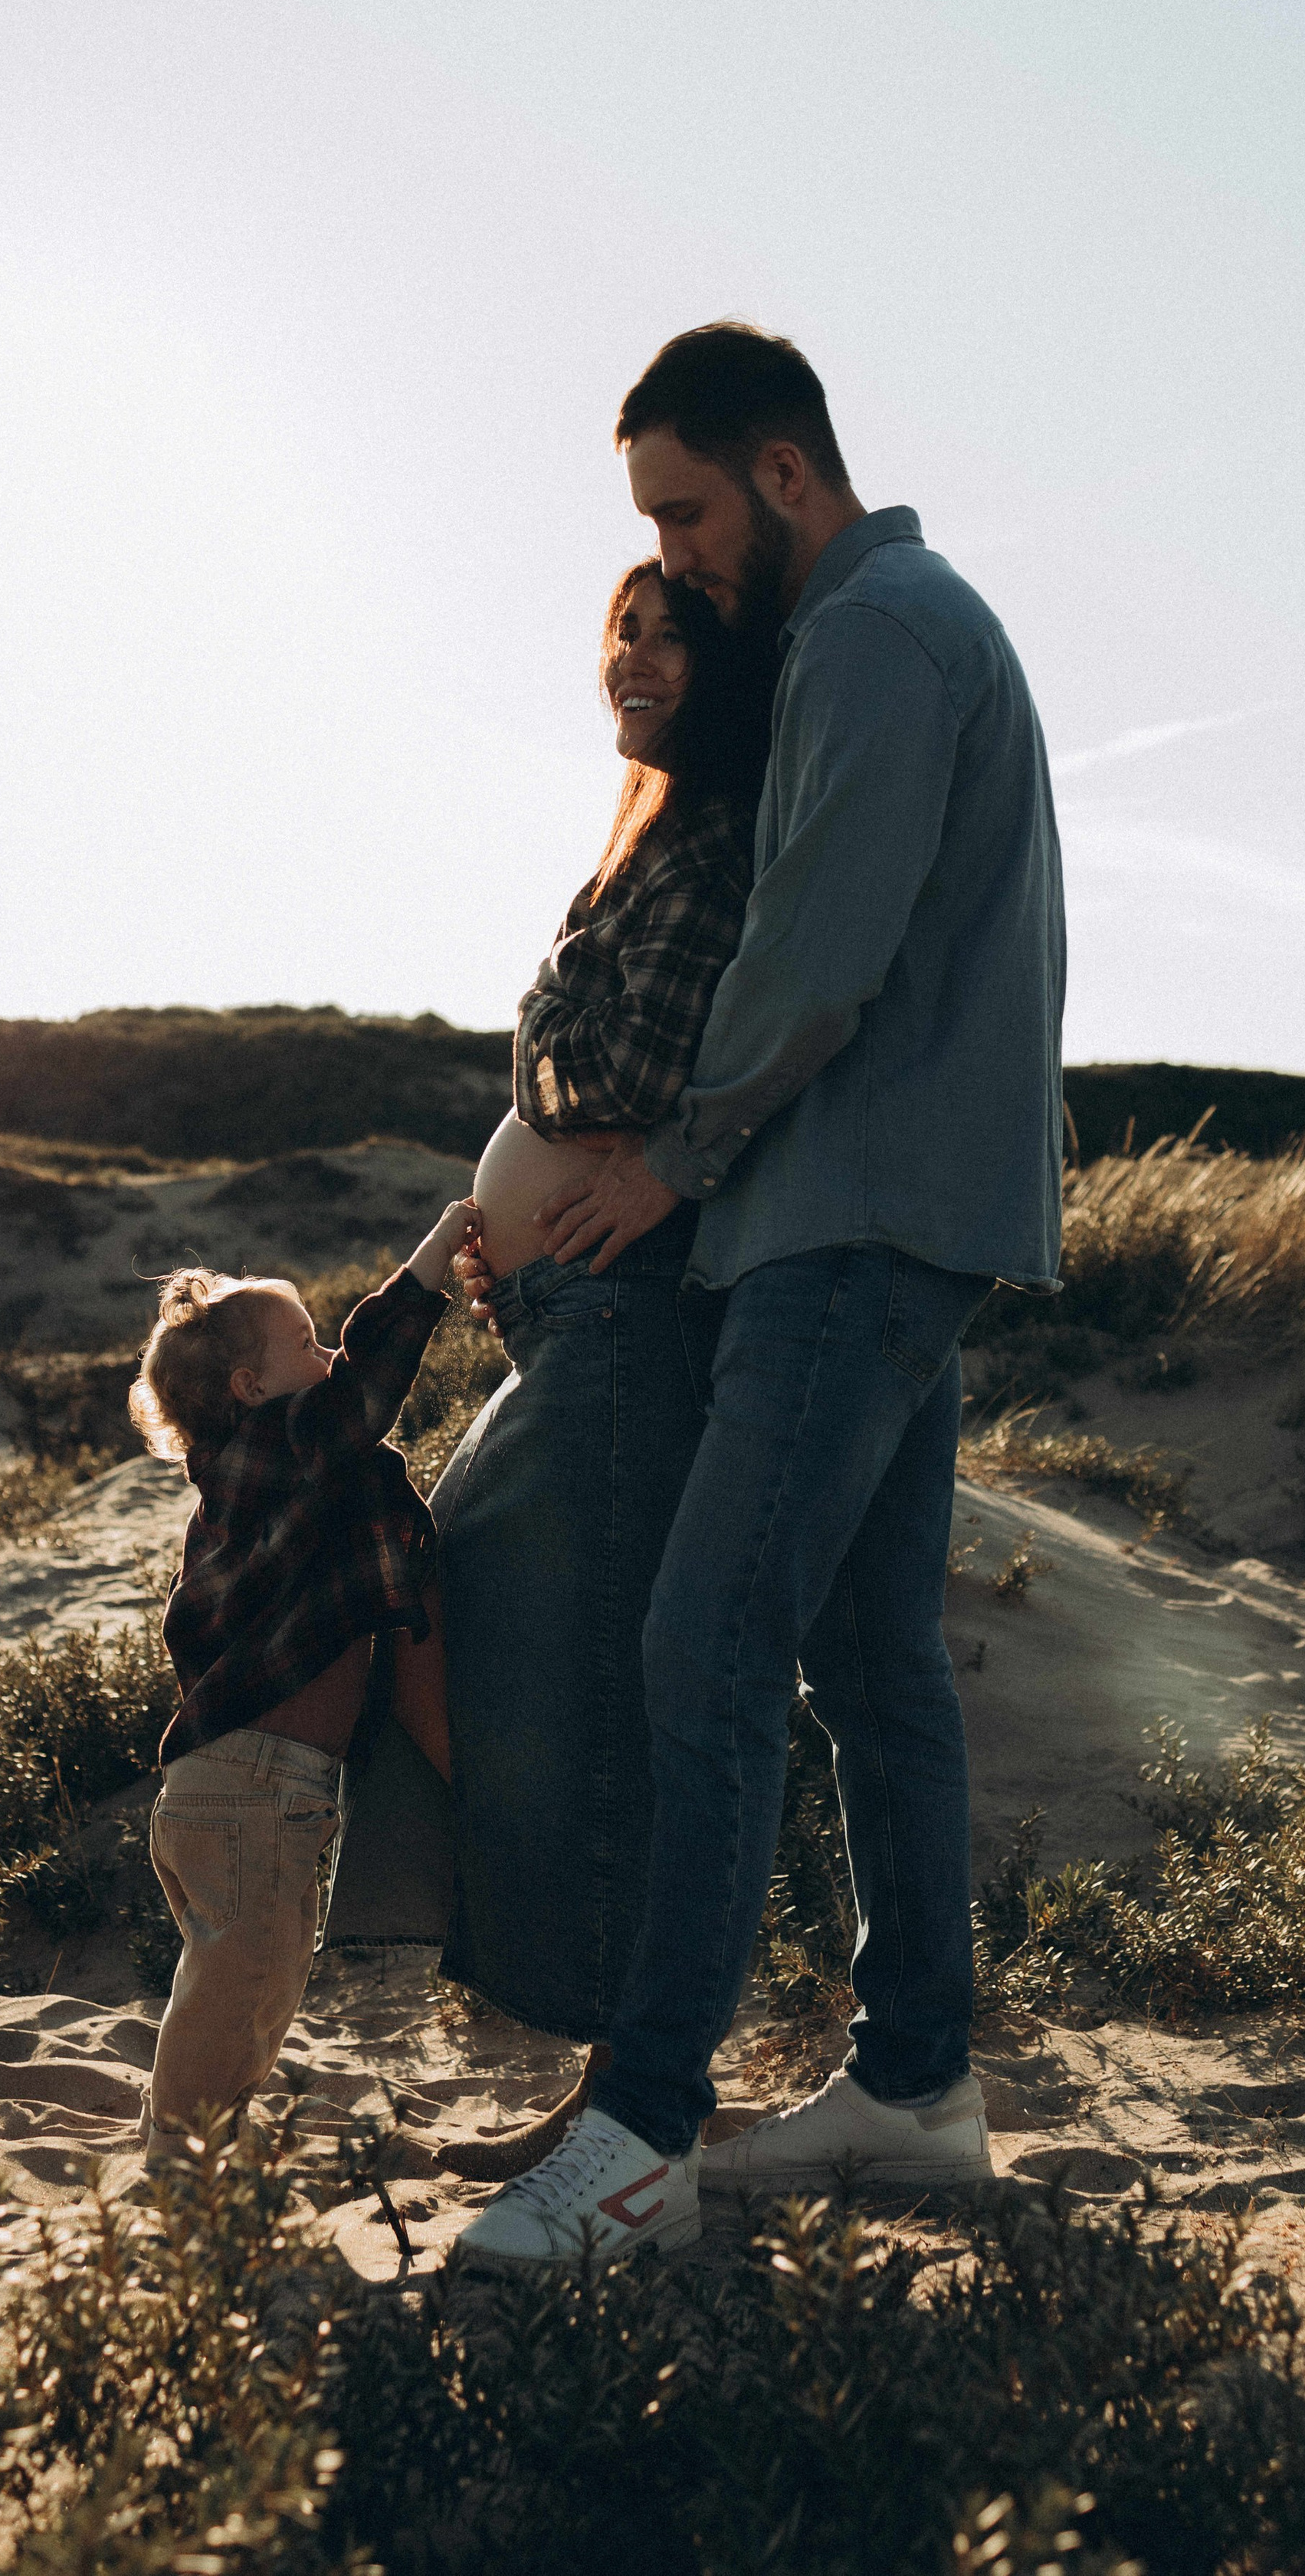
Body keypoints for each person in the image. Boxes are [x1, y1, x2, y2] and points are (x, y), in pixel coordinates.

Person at [458, 323, 1065, 2269]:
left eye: (685, 511)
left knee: (701, 1641)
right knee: (870, 1663)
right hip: (886, 1210)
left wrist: (674, 1158)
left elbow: (817, 946)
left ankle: (640, 2127)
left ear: (785, 471)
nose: (675, 554)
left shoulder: (875, 633)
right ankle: (915, 2085)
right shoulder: (886, 624)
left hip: (843, 1214)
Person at [415, 557, 778, 2145]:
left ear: (724, 663)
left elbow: (623, 1063)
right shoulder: (639, 843)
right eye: (618, 632)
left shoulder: (709, 836)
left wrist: (537, 1062)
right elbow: (580, 1082)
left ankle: (631, 2093)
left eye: (665, 635)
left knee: (591, 1689)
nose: (629, 658)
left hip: (634, 1323)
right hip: (573, 1318)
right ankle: (597, 2061)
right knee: (513, 1625)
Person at [128, 1197, 477, 2157]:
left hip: (264, 1796)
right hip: (245, 1790)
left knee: (257, 1988)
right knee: (238, 1991)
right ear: (249, 1388)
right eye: (309, 1344)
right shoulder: (264, 1458)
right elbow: (365, 1387)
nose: (328, 1359)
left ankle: (203, 2146)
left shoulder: (300, 1477)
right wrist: (432, 1262)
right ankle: (175, 2161)